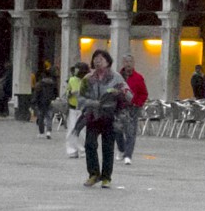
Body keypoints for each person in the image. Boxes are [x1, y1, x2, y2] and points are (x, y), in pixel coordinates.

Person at [78, 51, 127, 188]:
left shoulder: (116, 77)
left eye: (101, 59)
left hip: (109, 115)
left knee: (108, 147)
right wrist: (91, 103)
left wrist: (119, 93)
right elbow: (80, 98)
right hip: (93, 115)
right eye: (95, 59)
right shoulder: (88, 78)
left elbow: (128, 94)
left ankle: (106, 177)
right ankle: (93, 174)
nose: (97, 62)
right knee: (90, 144)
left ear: (107, 61)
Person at [118, 56, 147, 163]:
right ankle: (121, 149)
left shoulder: (138, 78)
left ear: (134, 63)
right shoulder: (117, 77)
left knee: (131, 132)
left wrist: (137, 103)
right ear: (123, 63)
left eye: (130, 61)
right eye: (126, 61)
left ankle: (128, 155)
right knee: (117, 130)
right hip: (119, 108)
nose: (128, 64)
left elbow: (144, 93)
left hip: (133, 108)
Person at [63, 62, 88, 159]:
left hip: (83, 108)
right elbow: (66, 93)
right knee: (71, 129)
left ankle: (82, 150)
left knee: (82, 131)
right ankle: (71, 150)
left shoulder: (88, 80)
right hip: (73, 107)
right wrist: (71, 92)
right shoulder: (72, 80)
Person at [31, 67, 57, 136]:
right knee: (49, 117)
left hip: (41, 103)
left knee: (41, 118)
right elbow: (56, 93)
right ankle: (48, 132)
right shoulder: (53, 84)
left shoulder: (39, 84)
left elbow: (36, 94)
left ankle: (41, 132)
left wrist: (34, 102)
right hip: (50, 102)